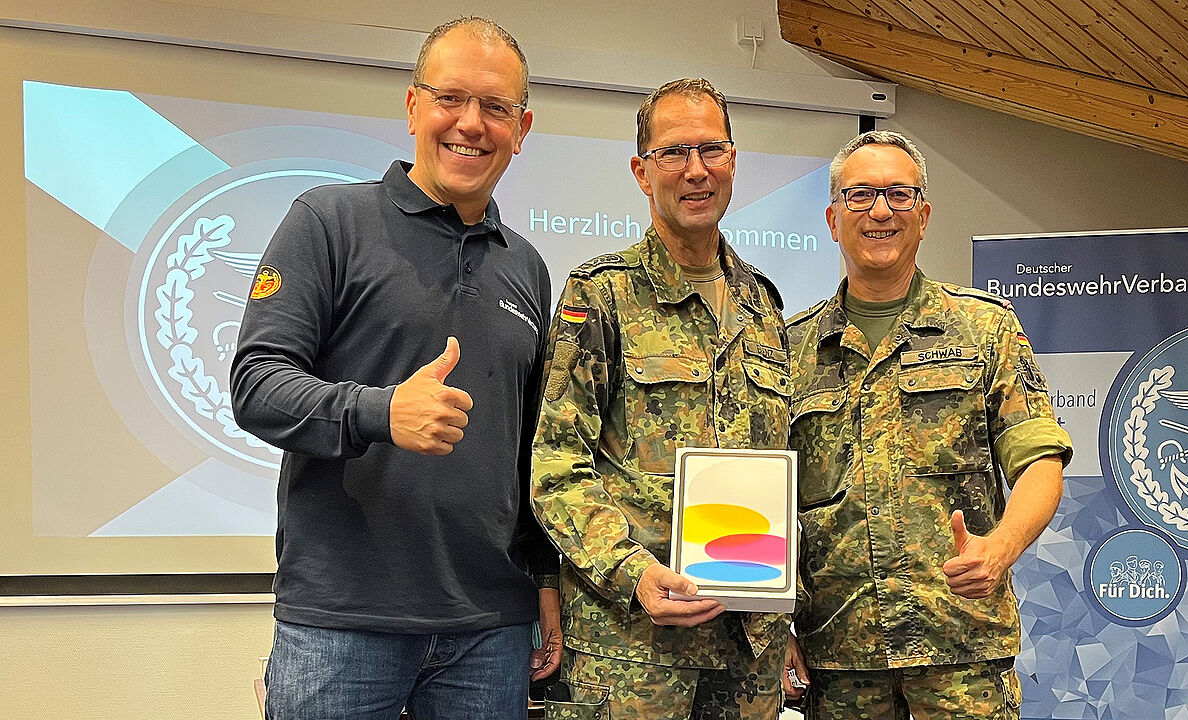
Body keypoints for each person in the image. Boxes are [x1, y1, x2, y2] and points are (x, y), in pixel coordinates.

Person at [230, 17, 561, 720]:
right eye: (451, 98)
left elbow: (533, 452)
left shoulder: (527, 267)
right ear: (413, 105)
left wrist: (544, 580)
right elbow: (257, 384)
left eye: (497, 107)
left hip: (491, 630)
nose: (471, 124)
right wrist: (381, 411)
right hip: (341, 624)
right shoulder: (327, 221)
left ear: (522, 126)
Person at [783, 130, 1073, 719]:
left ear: (924, 216)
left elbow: (1039, 461)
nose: (881, 211)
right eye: (861, 195)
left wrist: (1000, 548)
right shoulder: (789, 351)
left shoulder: (984, 329)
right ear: (833, 218)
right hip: (839, 655)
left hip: (960, 646)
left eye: (898, 194)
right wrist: (774, 624)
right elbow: (764, 497)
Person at [530, 78, 792, 719]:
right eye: (674, 153)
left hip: (748, 652)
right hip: (634, 658)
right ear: (642, 172)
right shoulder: (601, 295)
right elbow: (555, 467)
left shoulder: (764, 304)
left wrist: (793, 610)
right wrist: (632, 572)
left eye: (711, 150)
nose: (695, 171)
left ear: (734, 160)